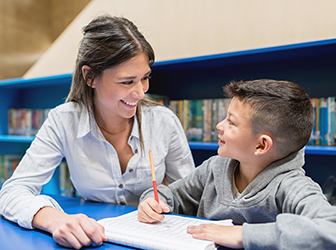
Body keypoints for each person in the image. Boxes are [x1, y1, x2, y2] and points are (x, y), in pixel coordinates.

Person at [0, 15, 195, 249]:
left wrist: (164, 204)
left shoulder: (164, 122)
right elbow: (12, 192)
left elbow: (191, 194)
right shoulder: (64, 120)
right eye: (126, 82)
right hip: (96, 240)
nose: (141, 93)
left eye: (145, 78)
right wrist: (54, 220)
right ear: (90, 77)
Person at [138, 79, 336, 249]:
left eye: (231, 122)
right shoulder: (214, 168)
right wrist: (152, 201)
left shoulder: (293, 187)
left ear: (261, 145)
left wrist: (243, 235)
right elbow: (173, 196)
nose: (219, 125)